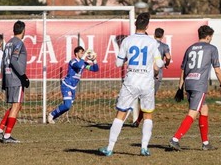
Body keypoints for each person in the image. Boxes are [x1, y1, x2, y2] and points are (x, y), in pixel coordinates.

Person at [98, 12, 164, 157]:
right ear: (147, 26)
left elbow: (118, 63)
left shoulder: (127, 41)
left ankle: (109, 148)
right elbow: (159, 63)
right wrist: (161, 63)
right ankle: (144, 148)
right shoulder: (153, 42)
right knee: (147, 115)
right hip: (147, 83)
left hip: (131, 82)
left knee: (120, 114)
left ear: (135, 24)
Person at [169, 25, 221, 151]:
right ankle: (175, 139)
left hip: (189, 83)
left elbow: (183, 70)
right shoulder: (212, 48)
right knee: (192, 112)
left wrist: (180, 87)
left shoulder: (190, 48)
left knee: (204, 110)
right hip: (199, 85)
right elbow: (217, 70)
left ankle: (206, 143)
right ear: (208, 36)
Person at [0, 21, 29, 143]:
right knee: (16, 105)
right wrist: (23, 76)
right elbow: (13, 60)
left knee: (16, 105)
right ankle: (7, 136)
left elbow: (4, 61)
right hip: (16, 78)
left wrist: (4, 79)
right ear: (23, 31)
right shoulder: (18, 43)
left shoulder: (8, 43)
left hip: (8, 77)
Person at [47, 46, 99, 124]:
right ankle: (51, 115)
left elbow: (95, 69)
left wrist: (94, 60)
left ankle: (53, 117)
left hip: (73, 87)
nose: (83, 54)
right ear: (76, 53)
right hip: (67, 85)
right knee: (67, 105)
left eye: (83, 52)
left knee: (67, 107)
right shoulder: (73, 62)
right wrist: (84, 57)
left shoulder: (83, 64)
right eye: (81, 53)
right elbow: (78, 66)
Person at [132, 27, 171, 127]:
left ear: (154, 35)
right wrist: (166, 63)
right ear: (162, 36)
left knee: (142, 96)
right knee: (149, 97)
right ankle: (143, 120)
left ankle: (138, 120)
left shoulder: (149, 43)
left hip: (146, 73)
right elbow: (169, 57)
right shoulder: (164, 46)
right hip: (157, 75)